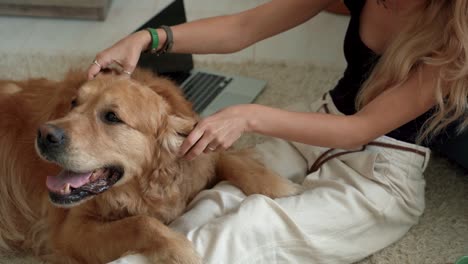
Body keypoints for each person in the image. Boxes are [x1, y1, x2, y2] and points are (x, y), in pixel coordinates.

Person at [90, 0, 468, 263]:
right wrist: (149, 38)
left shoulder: (456, 32)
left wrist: (249, 116)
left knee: (252, 226)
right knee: (210, 204)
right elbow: (244, 27)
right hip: (316, 125)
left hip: (382, 177)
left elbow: (359, 129)